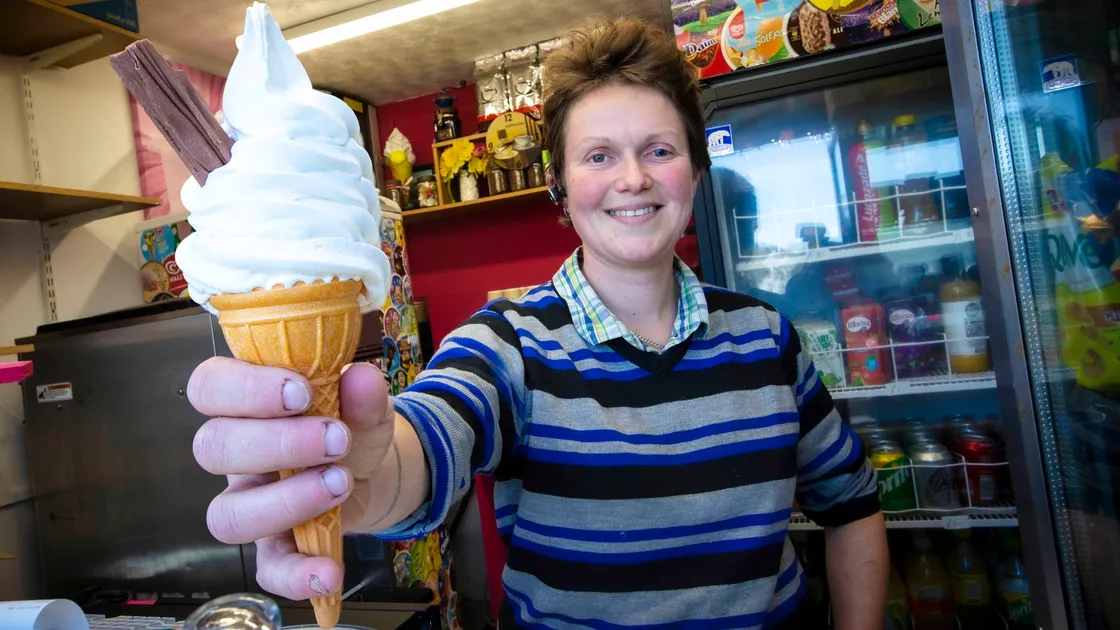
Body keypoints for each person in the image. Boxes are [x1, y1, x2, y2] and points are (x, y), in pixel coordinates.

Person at [187, 16, 888, 628]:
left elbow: (852, 504)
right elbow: (425, 443)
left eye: (660, 150)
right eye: (599, 156)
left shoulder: (769, 336)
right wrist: (360, 478)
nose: (633, 178)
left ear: (696, 172)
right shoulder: (506, 344)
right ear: (560, 186)